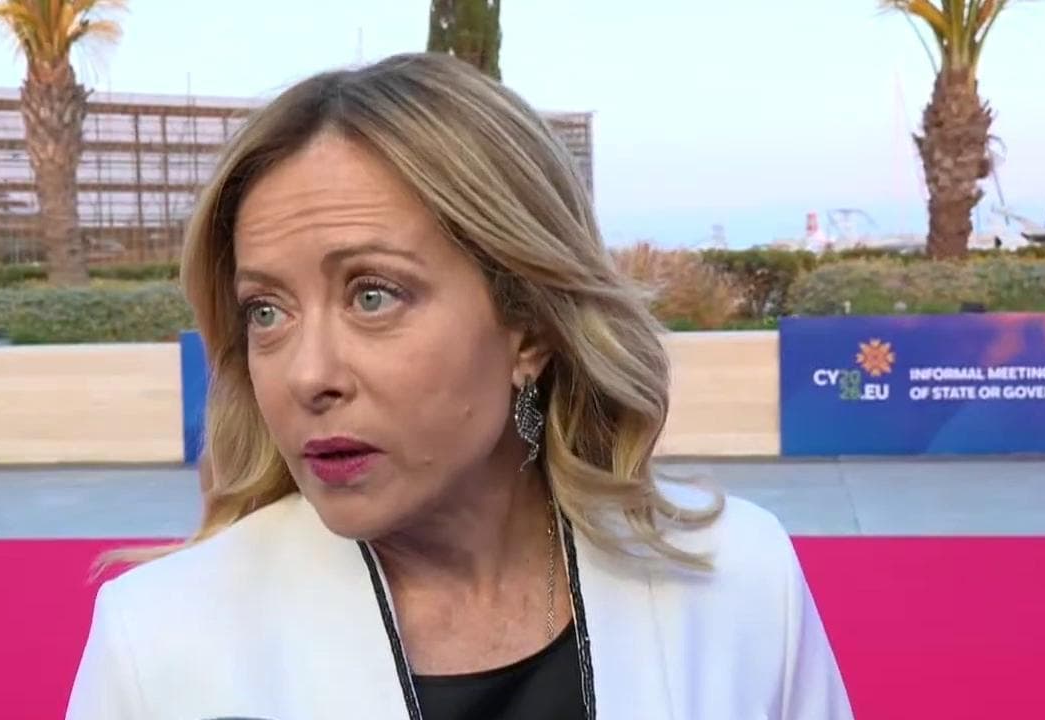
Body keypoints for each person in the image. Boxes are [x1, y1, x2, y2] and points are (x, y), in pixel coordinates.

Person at [66, 52, 853, 720]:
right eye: (265, 311)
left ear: (529, 326)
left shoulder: (740, 578)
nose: (308, 375)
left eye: (373, 295)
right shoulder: (158, 643)